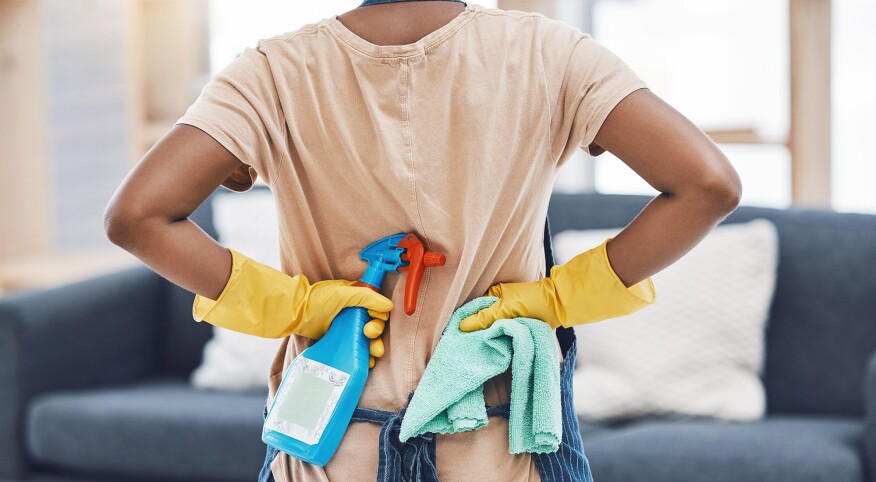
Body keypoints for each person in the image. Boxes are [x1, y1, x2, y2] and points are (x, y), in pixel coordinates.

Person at [104, 0, 742, 480]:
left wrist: (296, 307)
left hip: (330, 446)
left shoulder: (271, 72)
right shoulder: (551, 54)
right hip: (491, 445)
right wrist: (555, 299)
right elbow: (707, 185)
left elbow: (138, 216)